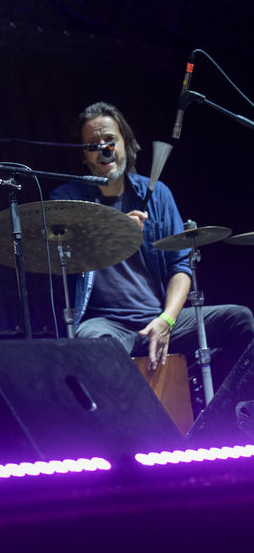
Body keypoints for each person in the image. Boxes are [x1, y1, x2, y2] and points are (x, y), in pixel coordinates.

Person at [50, 101, 253, 392]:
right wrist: (114, 231)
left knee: (239, 319)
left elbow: (180, 267)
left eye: (110, 140)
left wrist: (167, 319)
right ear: (84, 156)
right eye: (93, 144)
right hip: (107, 325)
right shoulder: (67, 197)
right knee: (90, 344)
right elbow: (61, 254)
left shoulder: (156, 194)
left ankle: (232, 416)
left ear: (125, 143)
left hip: (158, 316)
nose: (104, 149)